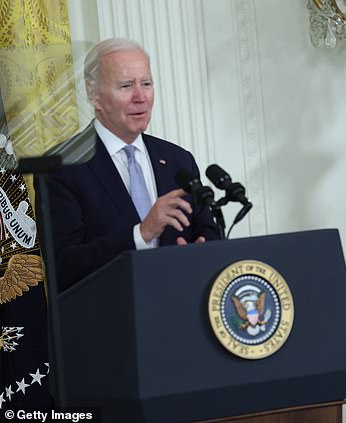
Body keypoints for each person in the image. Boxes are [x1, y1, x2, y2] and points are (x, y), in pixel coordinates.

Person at [45, 38, 219, 290]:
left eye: (146, 84)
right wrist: (141, 233)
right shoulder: (63, 167)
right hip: (110, 320)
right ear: (93, 94)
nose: (140, 97)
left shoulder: (178, 160)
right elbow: (63, 266)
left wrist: (201, 252)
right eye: (126, 86)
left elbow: (207, 231)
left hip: (182, 307)